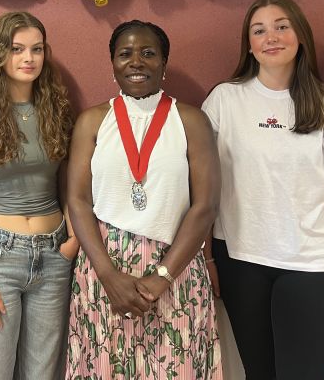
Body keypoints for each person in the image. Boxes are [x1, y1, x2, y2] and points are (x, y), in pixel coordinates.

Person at [202, 0, 324, 380]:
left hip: (308, 266)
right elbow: (203, 191)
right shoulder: (225, 100)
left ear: (300, 36)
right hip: (241, 262)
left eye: (281, 26)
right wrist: (207, 258)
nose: (271, 37)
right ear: (249, 44)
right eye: (259, 30)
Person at [65, 19, 221, 379]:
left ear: (164, 63)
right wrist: (107, 274)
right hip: (105, 267)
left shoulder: (191, 120)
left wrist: (162, 277)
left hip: (175, 267)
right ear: (113, 64)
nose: (136, 61)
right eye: (126, 54)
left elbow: (206, 205)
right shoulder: (92, 121)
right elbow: (77, 200)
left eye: (148, 53)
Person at [0, 11, 74, 379]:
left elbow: (73, 185)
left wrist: (72, 241)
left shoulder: (57, 111)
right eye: (17, 49)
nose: (28, 58)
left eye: (36, 49)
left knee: (42, 373)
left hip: (53, 256)